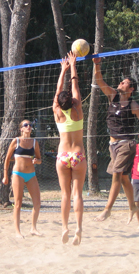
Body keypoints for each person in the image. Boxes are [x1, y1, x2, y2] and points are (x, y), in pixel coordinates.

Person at [92, 56, 139, 222]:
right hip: (112, 144)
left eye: (124, 82)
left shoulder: (134, 106)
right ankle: (133, 206)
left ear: (131, 89)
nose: (120, 83)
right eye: (121, 81)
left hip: (126, 144)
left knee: (116, 174)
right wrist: (97, 65)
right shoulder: (112, 96)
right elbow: (99, 80)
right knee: (123, 178)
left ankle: (107, 209)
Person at [52, 51, 87, 245]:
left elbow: (59, 91)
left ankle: (65, 227)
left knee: (65, 195)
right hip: (78, 156)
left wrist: (62, 70)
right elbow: (75, 85)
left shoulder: (57, 112)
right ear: (72, 101)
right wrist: (73, 65)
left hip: (63, 157)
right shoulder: (78, 109)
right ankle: (78, 229)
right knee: (78, 194)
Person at [2, 120, 42, 238]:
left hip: (31, 175)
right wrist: (5, 176)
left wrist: (36, 161)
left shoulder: (34, 142)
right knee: (18, 203)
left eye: (30, 125)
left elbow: (39, 159)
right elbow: (7, 159)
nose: (29, 126)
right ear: (21, 129)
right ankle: (17, 231)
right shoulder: (16, 141)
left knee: (37, 202)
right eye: (26, 125)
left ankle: (33, 228)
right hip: (18, 173)